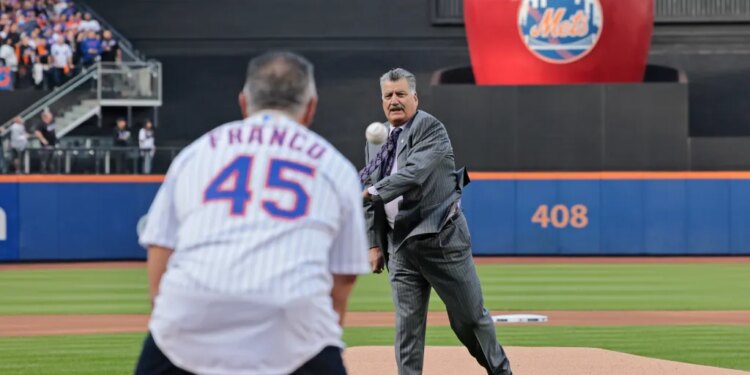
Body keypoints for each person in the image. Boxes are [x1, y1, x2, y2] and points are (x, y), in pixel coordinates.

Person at [135, 51, 370, 375]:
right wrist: (314, 338)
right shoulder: (335, 167)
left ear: (244, 102)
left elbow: (160, 249)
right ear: (310, 108)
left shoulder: (195, 154)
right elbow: (342, 281)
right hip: (295, 335)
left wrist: (173, 322)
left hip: (185, 331)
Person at [361, 68, 513, 375]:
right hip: (400, 246)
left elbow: (413, 174)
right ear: (381, 101)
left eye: (401, 94)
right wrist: (375, 243)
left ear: (415, 97)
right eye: (388, 95)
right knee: (407, 330)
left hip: (441, 240)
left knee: (469, 321)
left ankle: (501, 372)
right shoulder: (377, 140)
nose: (394, 101)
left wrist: (370, 192)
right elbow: (373, 200)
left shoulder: (431, 130)